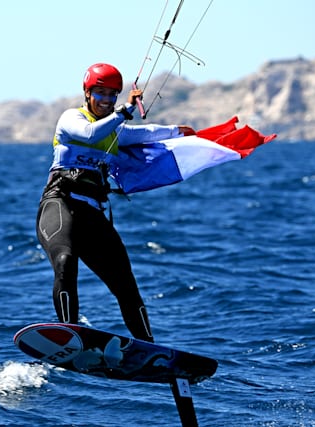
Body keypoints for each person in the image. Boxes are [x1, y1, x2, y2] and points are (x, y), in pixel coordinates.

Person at [35, 63, 195, 343]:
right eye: (100, 93)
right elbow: (89, 135)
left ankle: (149, 348)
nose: (107, 100)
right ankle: (69, 334)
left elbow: (147, 133)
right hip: (60, 205)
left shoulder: (116, 132)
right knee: (65, 260)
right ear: (87, 93)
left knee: (126, 285)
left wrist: (181, 132)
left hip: (93, 214)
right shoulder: (72, 118)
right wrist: (125, 111)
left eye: (112, 94)